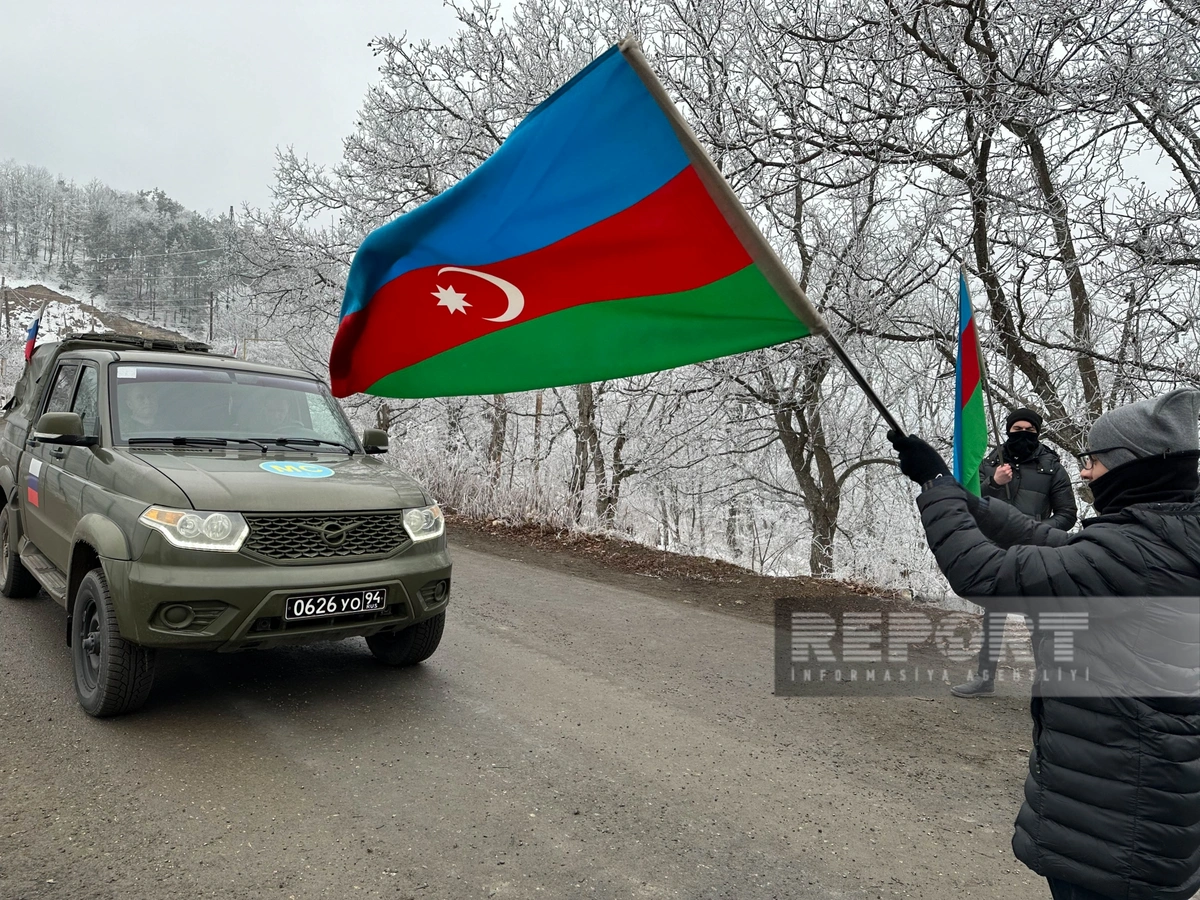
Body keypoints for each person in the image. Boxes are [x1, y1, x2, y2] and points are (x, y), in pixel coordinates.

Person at [888, 389, 1200, 900]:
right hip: (1148, 799)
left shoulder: (1132, 552)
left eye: (1093, 461)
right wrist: (968, 499)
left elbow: (982, 573)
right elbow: (1061, 545)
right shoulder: (1172, 536)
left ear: (1131, 465)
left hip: (1115, 821)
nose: (1084, 473)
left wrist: (935, 487)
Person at [952, 407, 1078, 697]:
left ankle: (1045, 685)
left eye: (1029, 430)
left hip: (1036, 552)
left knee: (1039, 620)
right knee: (993, 616)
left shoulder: (1053, 468)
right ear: (1008, 430)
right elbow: (968, 501)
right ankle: (984, 679)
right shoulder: (990, 464)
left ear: (1038, 433)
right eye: (1017, 429)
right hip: (996, 550)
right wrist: (994, 483)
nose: (1023, 434)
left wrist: (1037, 530)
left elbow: (1067, 514)